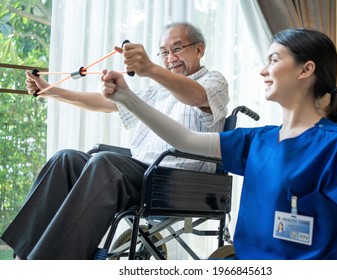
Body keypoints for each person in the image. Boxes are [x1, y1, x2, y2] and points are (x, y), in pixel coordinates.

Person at [100, 14, 337, 259]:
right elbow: (185, 141)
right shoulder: (258, 140)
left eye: (274, 60)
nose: (264, 70)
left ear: (306, 69)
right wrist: (127, 98)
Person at [0, 22, 230, 259]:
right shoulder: (157, 91)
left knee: (104, 163)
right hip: (142, 173)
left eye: (177, 48)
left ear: (199, 50)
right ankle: (21, 257)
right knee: (66, 159)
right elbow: (106, 103)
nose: (170, 58)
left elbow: (197, 96)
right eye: (164, 52)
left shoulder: (213, 81)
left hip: (180, 182)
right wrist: (51, 91)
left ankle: (46, 265)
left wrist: (150, 68)